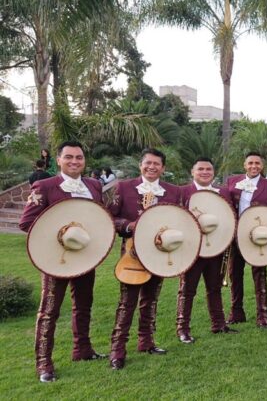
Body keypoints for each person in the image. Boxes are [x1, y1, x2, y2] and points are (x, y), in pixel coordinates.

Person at [19, 141, 106, 383]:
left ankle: (83, 350)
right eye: (68, 157)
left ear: (84, 161)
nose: (74, 161)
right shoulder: (45, 185)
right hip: (56, 259)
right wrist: (61, 234)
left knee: (84, 305)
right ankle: (44, 363)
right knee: (49, 312)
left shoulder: (94, 185)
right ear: (58, 160)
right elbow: (26, 222)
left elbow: (100, 218)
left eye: (79, 157)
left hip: (85, 256)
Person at [108, 148, 182, 370]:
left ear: (163, 168)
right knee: (127, 302)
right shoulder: (123, 187)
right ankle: (117, 351)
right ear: (140, 165)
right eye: (148, 163)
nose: (152, 167)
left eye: (157, 164)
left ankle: (146, 342)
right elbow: (109, 218)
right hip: (132, 253)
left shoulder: (172, 191)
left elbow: (179, 219)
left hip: (159, 253)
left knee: (151, 299)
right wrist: (129, 226)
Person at [176, 158, 238, 343]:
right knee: (187, 290)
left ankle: (218, 324)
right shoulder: (182, 192)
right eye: (200, 169)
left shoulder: (223, 192)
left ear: (214, 172)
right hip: (192, 249)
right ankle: (182, 328)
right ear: (192, 171)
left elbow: (231, 216)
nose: (205, 172)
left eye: (208, 169)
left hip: (216, 247)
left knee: (214, 287)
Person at [226, 152, 267, 327]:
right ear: (244, 165)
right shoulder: (232, 182)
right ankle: (236, 312)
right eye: (250, 163)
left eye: (257, 163)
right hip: (236, 235)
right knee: (235, 274)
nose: (253, 166)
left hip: (259, 236)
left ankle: (263, 315)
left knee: (260, 275)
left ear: (262, 166)